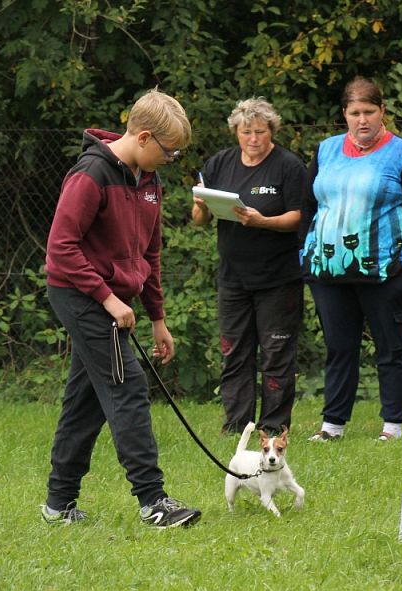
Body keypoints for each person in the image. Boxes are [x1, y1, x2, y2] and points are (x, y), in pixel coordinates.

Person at [41, 89, 201, 528]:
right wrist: (108, 298)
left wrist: (158, 319)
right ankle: (153, 502)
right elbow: (60, 250)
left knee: (86, 402)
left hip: (115, 300)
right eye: (168, 151)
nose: (170, 159)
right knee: (126, 387)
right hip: (79, 292)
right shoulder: (91, 174)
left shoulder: (149, 182)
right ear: (144, 136)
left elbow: (149, 255)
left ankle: (58, 506)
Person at [299, 77, 402, 442]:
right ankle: (332, 426)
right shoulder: (325, 150)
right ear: (344, 114)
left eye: (369, 112)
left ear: (382, 112)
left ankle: (393, 425)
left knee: (391, 348)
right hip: (329, 272)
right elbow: (308, 206)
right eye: (355, 112)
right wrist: (305, 253)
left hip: (384, 272)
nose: (362, 120)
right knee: (339, 349)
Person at [192, 98, 306, 435]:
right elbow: (199, 219)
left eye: (260, 132)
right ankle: (237, 424)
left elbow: (300, 217)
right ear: (236, 133)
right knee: (235, 353)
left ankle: (273, 427)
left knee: (276, 353)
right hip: (233, 278)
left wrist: (263, 221)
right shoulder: (219, 164)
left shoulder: (288, 166)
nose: (253, 139)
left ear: (272, 131)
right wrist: (200, 206)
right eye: (246, 132)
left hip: (278, 278)